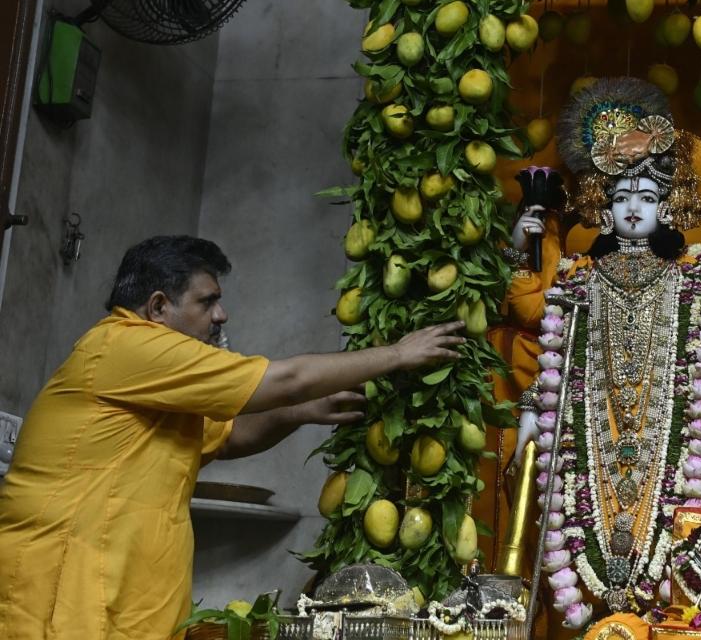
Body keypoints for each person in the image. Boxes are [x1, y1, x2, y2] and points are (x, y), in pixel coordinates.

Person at [0, 235, 465, 640]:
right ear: (159, 307)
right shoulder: (124, 345)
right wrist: (400, 354)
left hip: (123, 600)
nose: (221, 315)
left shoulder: (161, 382)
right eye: (207, 301)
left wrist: (301, 413)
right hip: (66, 595)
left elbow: (227, 438)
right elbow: (287, 378)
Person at [501, 78, 701, 628]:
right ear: (604, 211)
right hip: (592, 437)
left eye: (648, 197)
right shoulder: (579, 281)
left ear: (667, 209)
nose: (635, 208)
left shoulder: (689, 279)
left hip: (672, 440)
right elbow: (530, 311)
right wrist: (524, 243)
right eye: (622, 197)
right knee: (578, 532)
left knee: (674, 537)